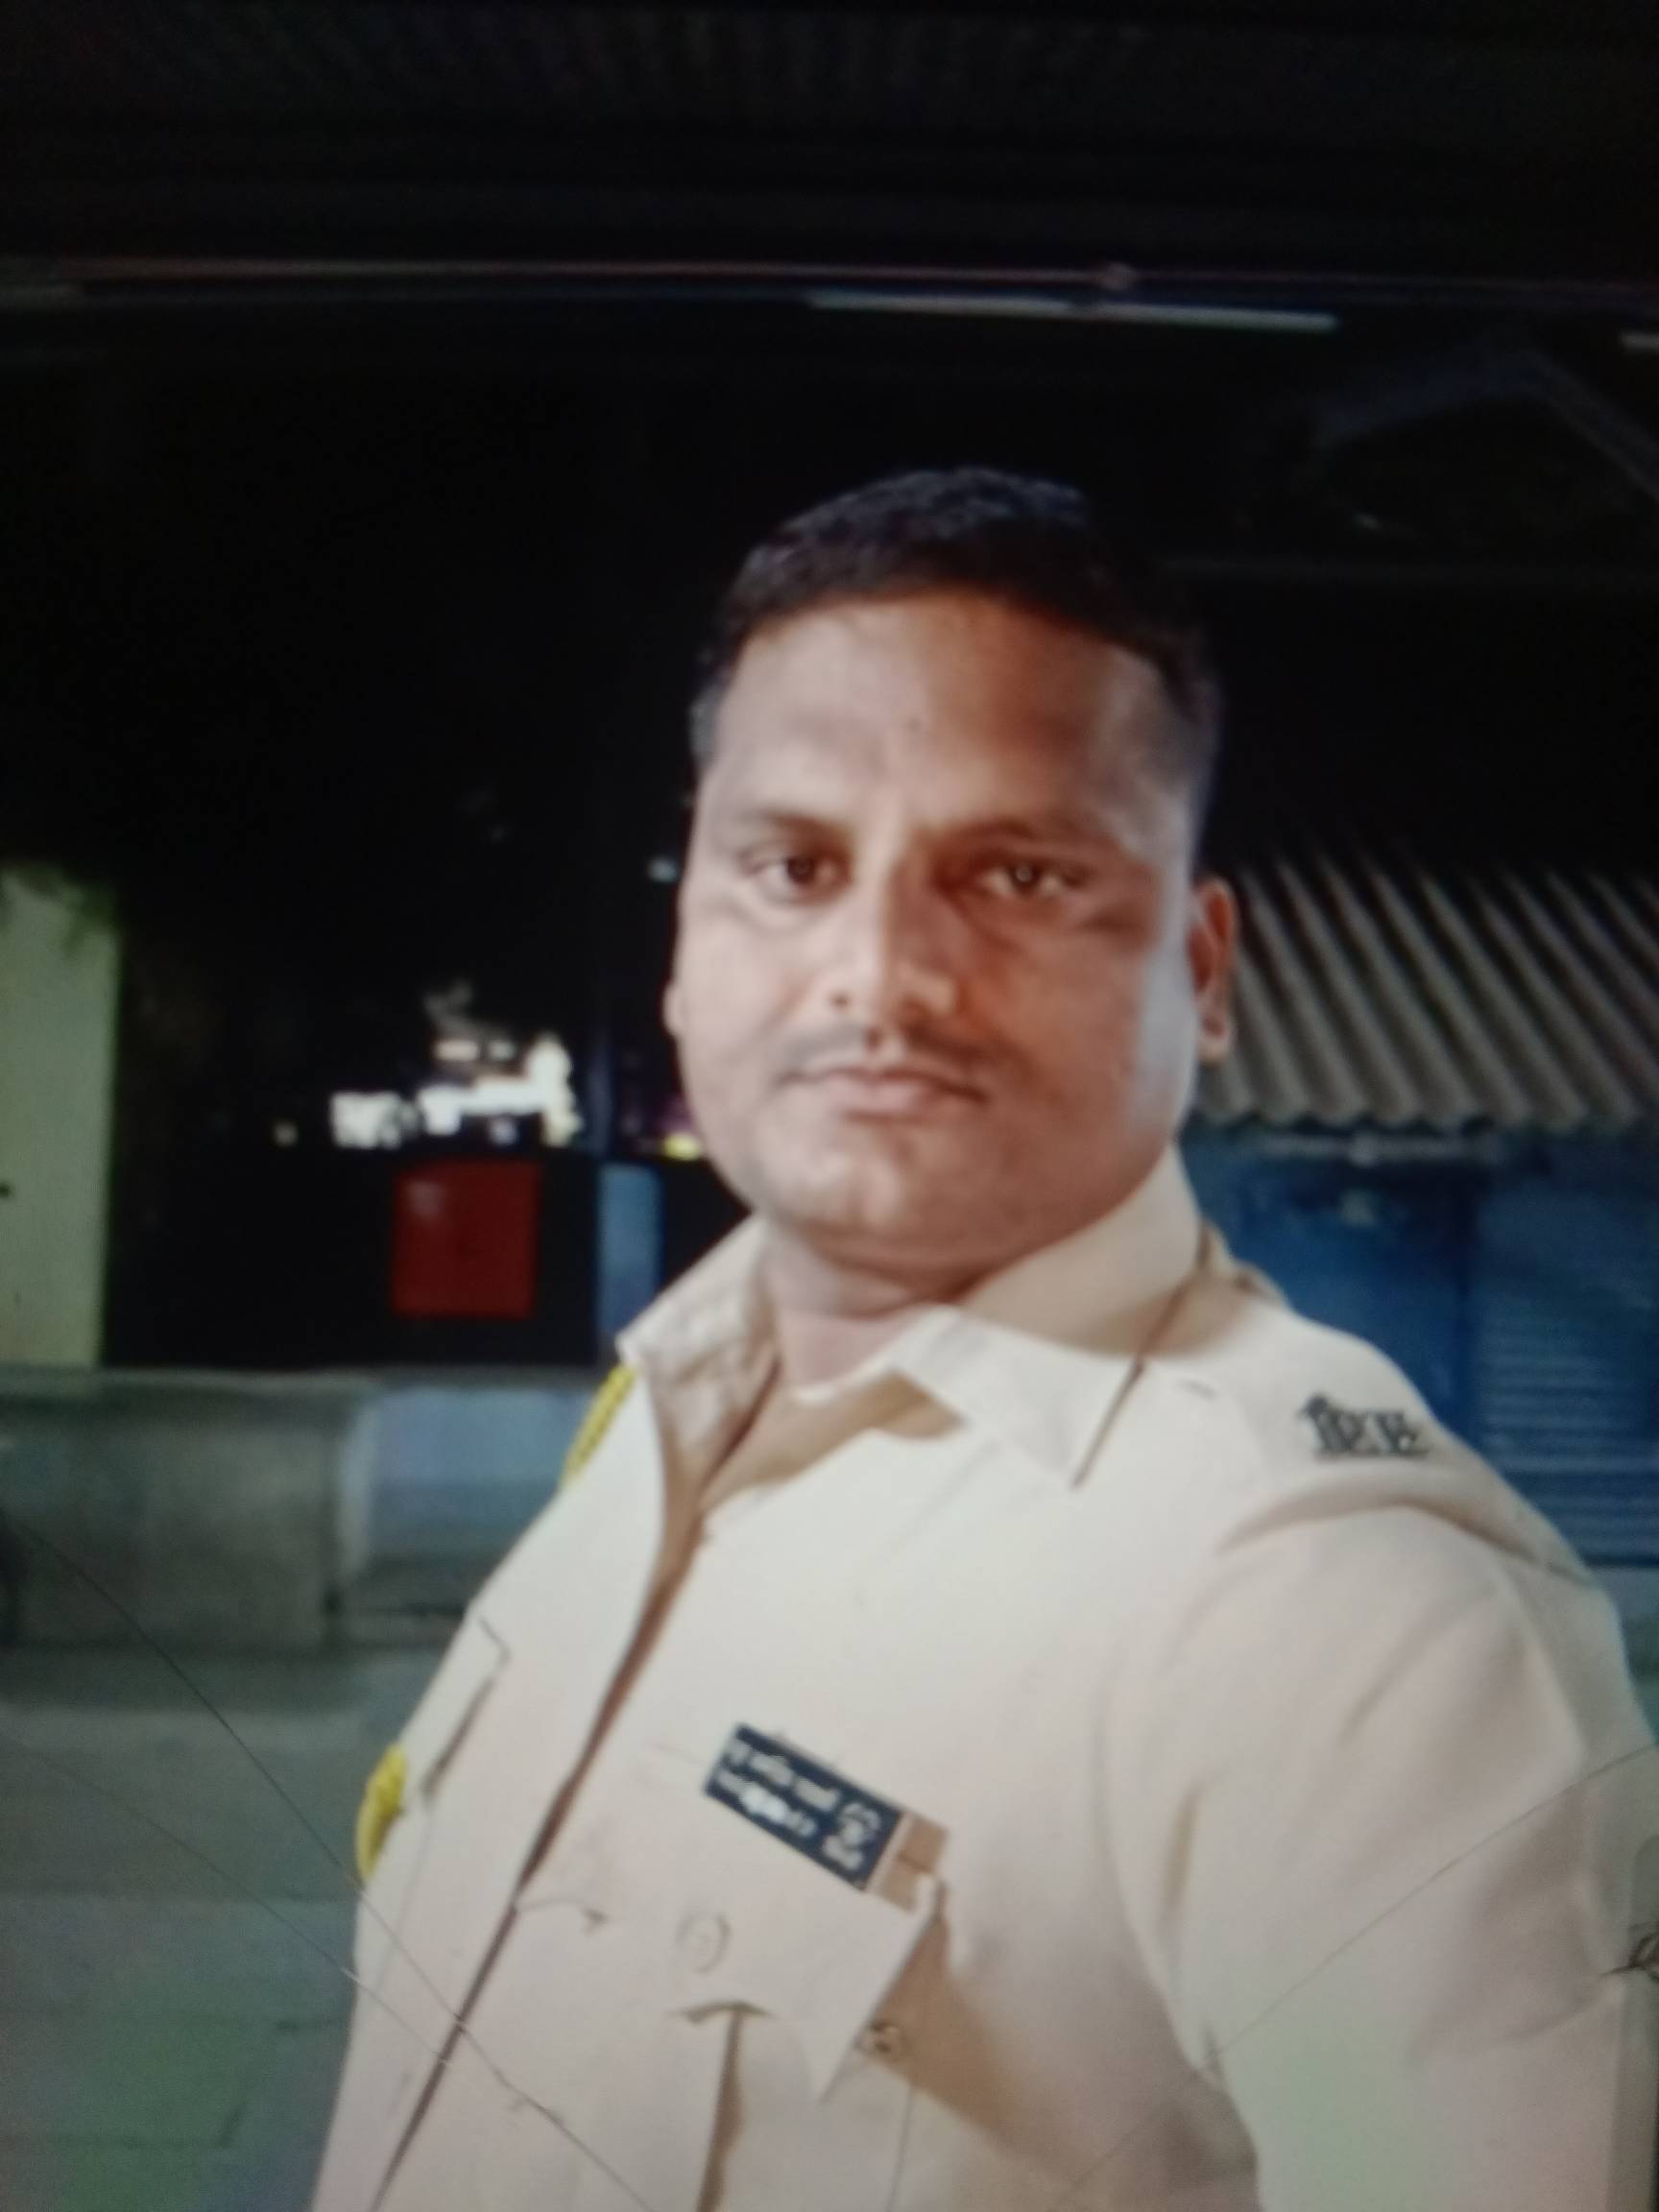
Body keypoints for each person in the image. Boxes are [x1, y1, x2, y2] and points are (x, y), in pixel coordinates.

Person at [312, 468, 1659, 2212]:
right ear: (686, 939)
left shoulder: (1345, 1620)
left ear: (1203, 968)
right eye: (792, 866)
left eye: (1018, 874)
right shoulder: (658, 1429)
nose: (880, 971)